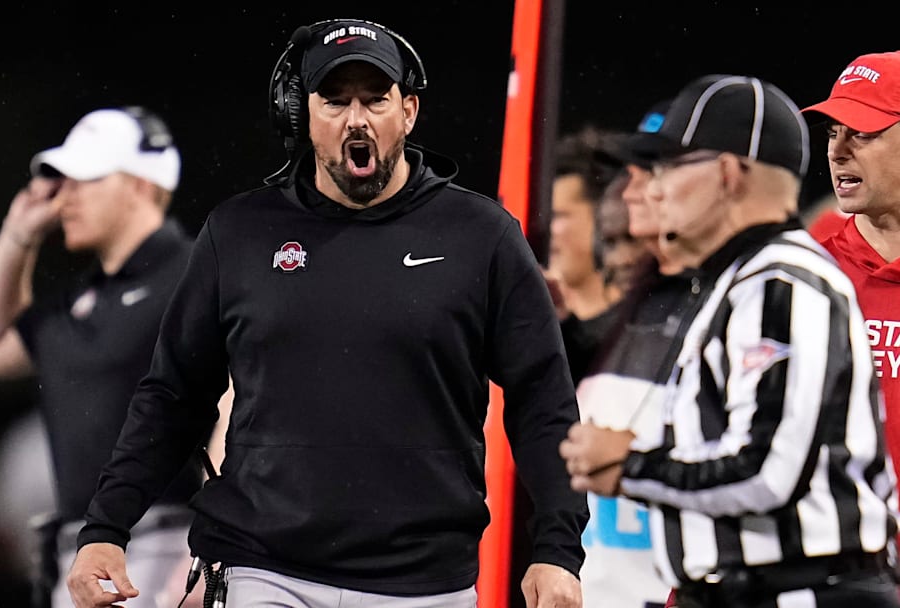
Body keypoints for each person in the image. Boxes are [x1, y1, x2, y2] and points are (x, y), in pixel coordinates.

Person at [65, 18, 586, 608]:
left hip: (423, 583)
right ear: (301, 115)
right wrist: (107, 528)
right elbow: (173, 396)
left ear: (409, 111)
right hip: (261, 567)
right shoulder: (238, 234)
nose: (356, 118)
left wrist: (557, 548)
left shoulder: (482, 236)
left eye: (376, 98)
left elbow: (543, 399)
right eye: (334, 100)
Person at [560, 74, 899, 607]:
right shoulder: (743, 281)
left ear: (727, 173)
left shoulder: (782, 283)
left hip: (801, 591)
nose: (651, 189)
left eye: (668, 167)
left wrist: (630, 464)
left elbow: (769, 470)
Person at [0, 106, 209, 608]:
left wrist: (212, 547)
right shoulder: (82, 297)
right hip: (81, 552)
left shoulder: (196, 272)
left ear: (140, 184)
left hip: (167, 543)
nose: (65, 196)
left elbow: (234, 409)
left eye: (85, 179)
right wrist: (18, 234)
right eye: (63, 181)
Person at [573, 100, 694, 608]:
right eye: (634, 170)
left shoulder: (755, 300)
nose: (634, 190)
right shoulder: (607, 329)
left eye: (656, 169)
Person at [801, 50, 900, 494]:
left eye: (861, 133)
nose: (837, 152)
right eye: (834, 132)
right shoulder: (806, 276)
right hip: (845, 555)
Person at [546, 126, 624, 384]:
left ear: (605, 217)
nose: (543, 232)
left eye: (556, 217)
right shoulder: (529, 326)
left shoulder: (637, 328)